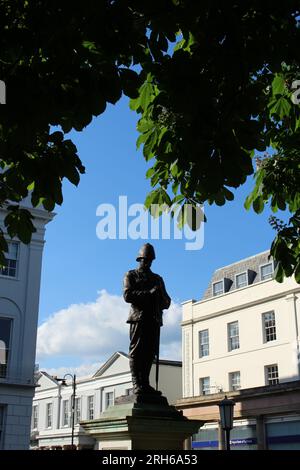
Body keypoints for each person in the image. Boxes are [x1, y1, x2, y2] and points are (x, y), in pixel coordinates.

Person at [123, 243, 171, 395]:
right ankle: (137, 383)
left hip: (154, 319)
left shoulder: (157, 279)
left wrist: (160, 296)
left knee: (150, 353)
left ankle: (145, 383)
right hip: (138, 318)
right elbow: (128, 295)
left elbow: (167, 302)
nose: (148, 262)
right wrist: (150, 293)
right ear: (139, 259)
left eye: (150, 260)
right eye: (145, 259)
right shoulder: (131, 275)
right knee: (137, 352)